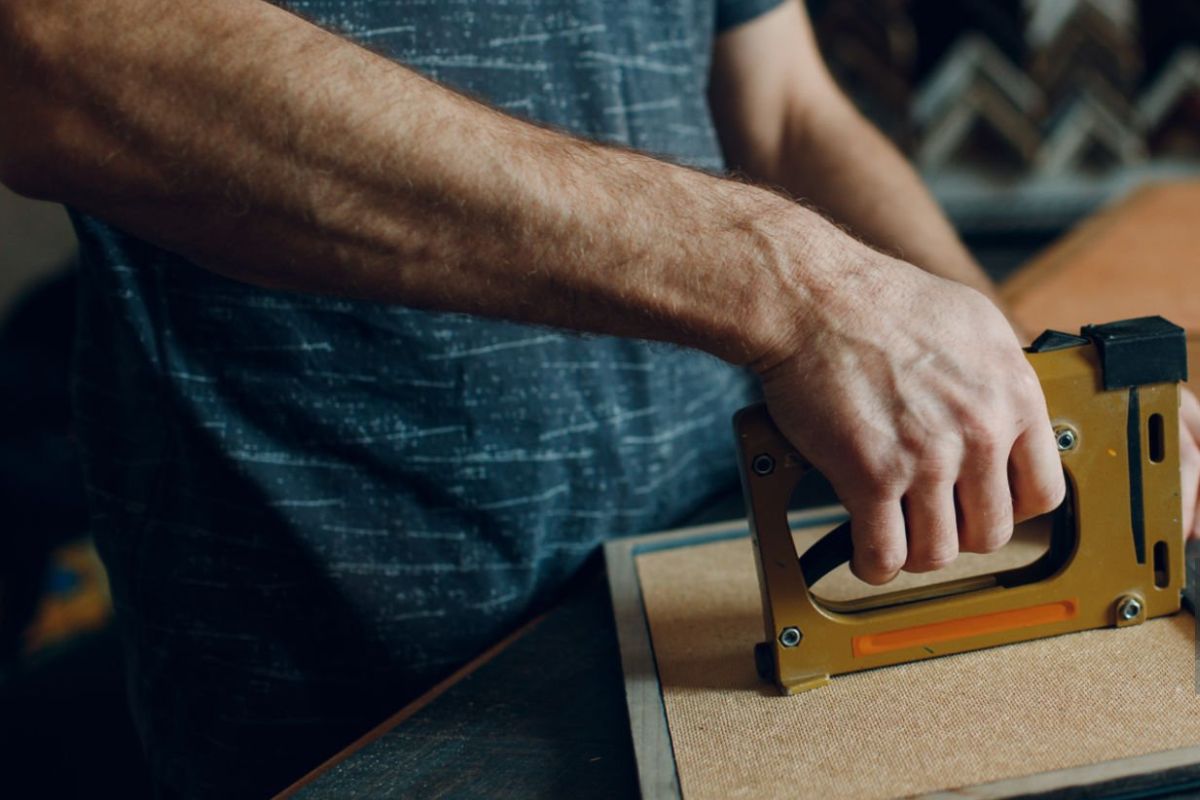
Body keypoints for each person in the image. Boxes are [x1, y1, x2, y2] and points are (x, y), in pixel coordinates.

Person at [2, 0, 1197, 796]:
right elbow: (50, 54)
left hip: (707, 568)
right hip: (360, 644)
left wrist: (1023, 387)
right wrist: (797, 285)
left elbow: (781, 100)